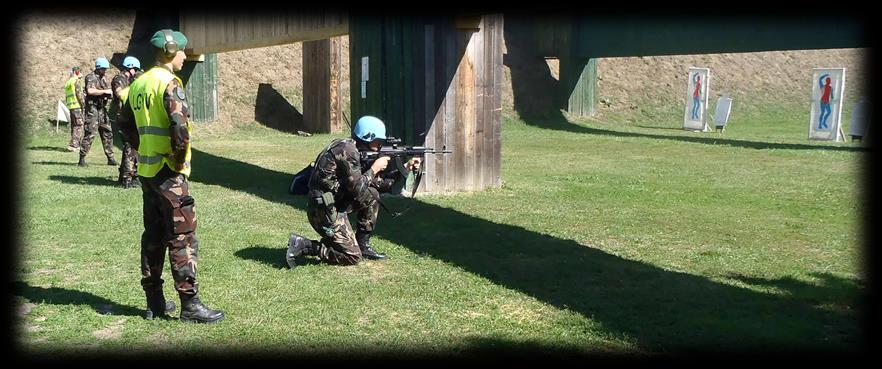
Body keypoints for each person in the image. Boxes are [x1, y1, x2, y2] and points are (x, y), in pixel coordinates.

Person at [118, 29, 224, 323]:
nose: (184, 56)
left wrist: (143, 148)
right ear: (170, 51)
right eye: (181, 52)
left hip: (148, 172)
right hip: (169, 174)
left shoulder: (138, 84)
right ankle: (190, 305)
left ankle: (154, 302)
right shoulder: (169, 83)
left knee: (153, 236)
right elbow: (180, 128)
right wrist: (177, 163)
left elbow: (124, 123)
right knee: (183, 238)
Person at [285, 116, 420, 268]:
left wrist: (405, 168)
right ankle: (304, 245)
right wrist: (375, 168)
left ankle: (363, 245)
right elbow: (357, 190)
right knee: (352, 256)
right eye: (377, 142)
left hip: (336, 203)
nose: (379, 146)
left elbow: (377, 185)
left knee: (372, 194)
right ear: (367, 138)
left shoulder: (351, 148)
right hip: (323, 211)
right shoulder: (347, 152)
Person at [78, 57, 116, 167]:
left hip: (102, 110)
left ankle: (110, 158)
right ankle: (82, 158)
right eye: (103, 69)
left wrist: (109, 94)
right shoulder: (90, 77)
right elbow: (90, 91)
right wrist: (104, 91)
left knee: (107, 133)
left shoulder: (103, 79)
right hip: (92, 110)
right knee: (90, 134)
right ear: (98, 68)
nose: (105, 71)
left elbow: (105, 92)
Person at [112, 56, 143, 188]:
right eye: (135, 70)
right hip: (123, 117)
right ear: (130, 68)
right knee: (130, 147)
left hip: (129, 116)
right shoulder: (119, 79)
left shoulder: (130, 80)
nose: (135, 72)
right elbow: (119, 94)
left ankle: (127, 175)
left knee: (131, 146)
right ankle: (127, 178)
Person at [64, 66, 86, 152]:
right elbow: (79, 95)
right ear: (77, 73)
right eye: (80, 72)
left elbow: (67, 96)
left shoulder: (68, 82)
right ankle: (74, 145)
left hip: (71, 107)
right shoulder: (76, 81)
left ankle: (74, 144)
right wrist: (83, 105)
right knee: (79, 126)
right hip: (77, 106)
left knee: (74, 126)